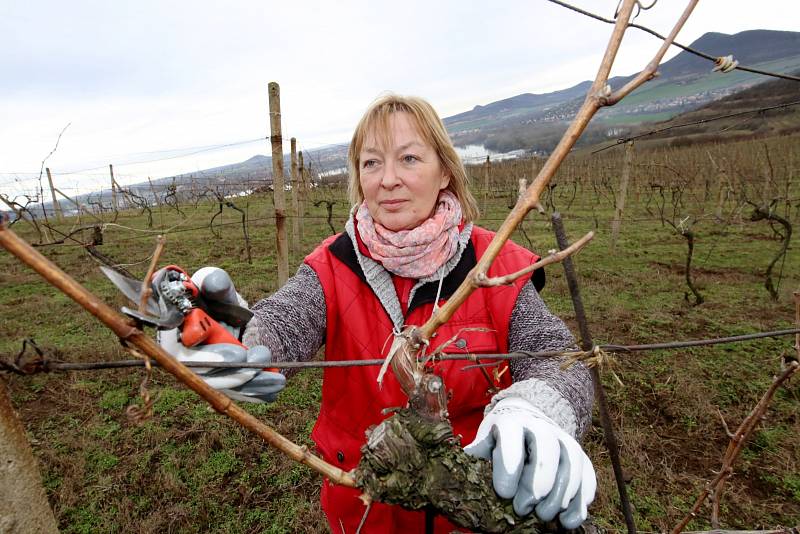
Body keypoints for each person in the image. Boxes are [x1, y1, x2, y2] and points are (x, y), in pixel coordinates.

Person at [162, 94, 596, 532]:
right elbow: (284, 321)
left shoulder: (496, 266)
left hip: (474, 514)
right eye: (371, 163)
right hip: (363, 510)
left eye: (408, 158)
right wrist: (239, 340)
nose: (387, 180)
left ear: (445, 170)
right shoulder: (332, 265)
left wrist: (535, 410)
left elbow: (554, 355)